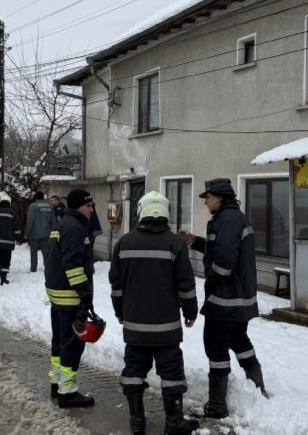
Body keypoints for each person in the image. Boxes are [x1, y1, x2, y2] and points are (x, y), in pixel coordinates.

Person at [109, 191, 200, 434]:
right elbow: (186, 285)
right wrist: (191, 312)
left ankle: (137, 422)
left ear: (141, 211)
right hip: (166, 328)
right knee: (171, 373)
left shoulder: (124, 243)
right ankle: (174, 422)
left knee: (133, 371)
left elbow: (116, 285)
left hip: (135, 325)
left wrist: (119, 311)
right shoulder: (175, 244)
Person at [177, 178, 267, 419]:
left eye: (208, 197)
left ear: (219, 197)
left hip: (226, 297)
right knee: (238, 339)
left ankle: (217, 405)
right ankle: (258, 388)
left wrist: (214, 280)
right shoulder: (232, 217)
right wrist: (195, 241)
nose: (205, 202)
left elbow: (225, 259)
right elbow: (221, 248)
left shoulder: (227, 219)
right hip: (238, 297)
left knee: (215, 345)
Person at [44, 188, 96, 408]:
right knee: (71, 345)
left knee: (59, 341)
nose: (91, 210)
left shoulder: (62, 223)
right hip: (69, 296)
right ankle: (68, 393)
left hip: (57, 293)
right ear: (78, 207)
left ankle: (57, 384)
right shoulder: (75, 228)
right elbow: (73, 264)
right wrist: (85, 293)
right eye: (88, 206)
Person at [25, 191, 55, 272]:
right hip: (46, 233)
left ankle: (33, 268)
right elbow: (53, 221)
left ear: (35, 198)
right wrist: (52, 232)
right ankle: (48, 268)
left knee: (33, 252)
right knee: (46, 252)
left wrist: (27, 232)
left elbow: (30, 220)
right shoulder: (49, 206)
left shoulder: (33, 206)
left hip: (34, 234)